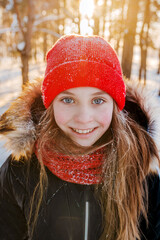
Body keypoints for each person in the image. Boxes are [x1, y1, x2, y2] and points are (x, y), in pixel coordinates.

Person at [0, 34, 160, 240]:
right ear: (50, 105)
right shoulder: (21, 170)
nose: (84, 118)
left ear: (115, 106)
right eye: (68, 99)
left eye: (98, 100)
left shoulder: (142, 172)